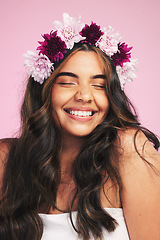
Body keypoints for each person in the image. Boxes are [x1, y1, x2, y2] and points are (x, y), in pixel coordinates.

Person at [0, 13, 160, 240]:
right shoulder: (7, 161)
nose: (85, 96)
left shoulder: (128, 150)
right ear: (44, 91)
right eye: (67, 82)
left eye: (99, 85)